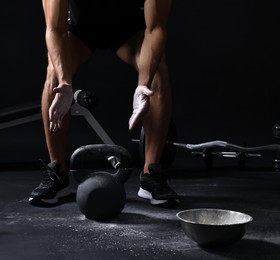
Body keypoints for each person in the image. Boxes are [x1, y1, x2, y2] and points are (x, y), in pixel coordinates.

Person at [29, 0, 179, 207]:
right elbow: (55, 29)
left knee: (158, 74)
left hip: (130, 32)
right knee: (54, 74)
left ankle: (151, 175)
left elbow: (155, 29)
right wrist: (65, 83)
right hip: (80, 31)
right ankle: (58, 172)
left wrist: (143, 85)